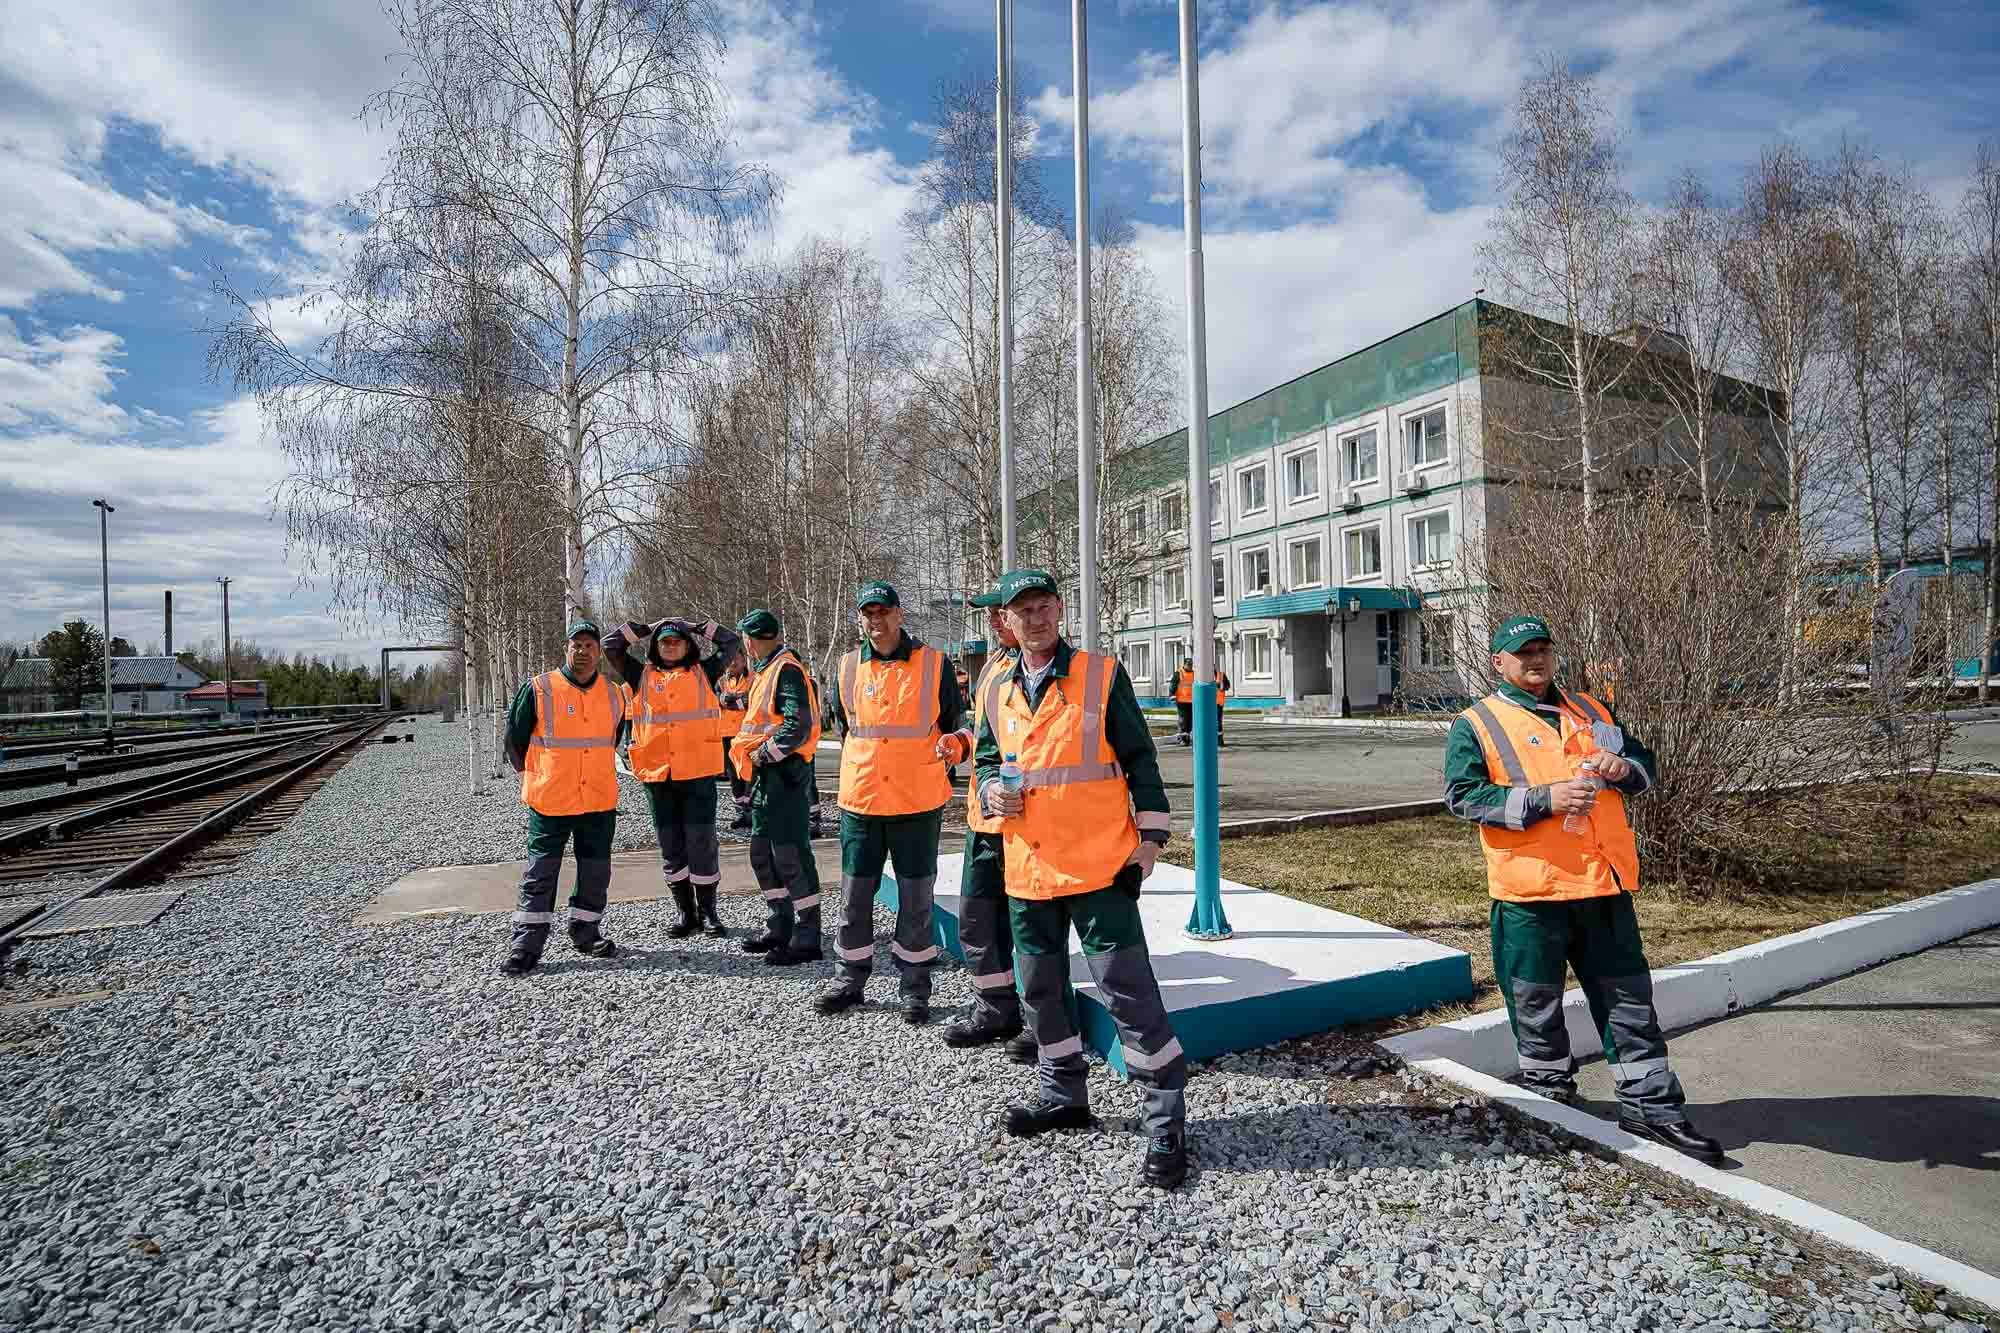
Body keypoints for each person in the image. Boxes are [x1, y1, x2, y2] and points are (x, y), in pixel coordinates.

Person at [1444, 614, 1723, 1165]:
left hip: (1604, 886)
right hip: (1532, 893)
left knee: (1628, 1001)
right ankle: (1549, 1101)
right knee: (1536, 1003)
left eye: (1543, 650)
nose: (1536, 661)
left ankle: (1651, 1106)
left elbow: (1644, 766)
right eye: (1522, 653)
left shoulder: (1593, 710)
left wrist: (1623, 767)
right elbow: (1463, 797)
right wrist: (1546, 800)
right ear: (1498, 662)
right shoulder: (1479, 722)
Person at [975, 569, 1188, 1190]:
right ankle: (1063, 1093)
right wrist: (991, 790)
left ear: (1060, 611)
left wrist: (1149, 844)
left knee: (1128, 993)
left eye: (1044, 607)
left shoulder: (1100, 675)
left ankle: (1165, 1120)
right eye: (1023, 611)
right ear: (1006, 622)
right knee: (1040, 988)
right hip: (1028, 869)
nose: (1035, 618)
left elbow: (1141, 760)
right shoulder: (998, 688)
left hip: (1099, 867)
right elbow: (990, 758)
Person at [815, 581, 968, 1025]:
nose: (876, 621)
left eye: (883, 612)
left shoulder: (934, 663)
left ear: (900, 615)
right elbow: (846, 728)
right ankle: (849, 978)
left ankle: (914, 986)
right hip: (861, 801)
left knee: (916, 900)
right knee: (853, 897)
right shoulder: (846, 667)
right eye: (868, 613)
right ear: (860, 619)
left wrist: (953, 747)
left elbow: (954, 723)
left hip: (917, 802)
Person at [500, 619, 631, 977]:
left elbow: (614, 738)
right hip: (551, 800)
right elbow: (515, 740)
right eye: (577, 644)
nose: (583, 651)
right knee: (540, 873)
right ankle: (526, 946)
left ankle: (586, 933)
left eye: (590, 645)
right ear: (566, 648)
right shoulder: (539, 688)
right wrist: (538, 776)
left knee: (595, 872)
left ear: (598, 652)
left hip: (598, 801)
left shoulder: (615, 694)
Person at [941, 587, 1037, 1062]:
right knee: (977, 919)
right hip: (986, 817)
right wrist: (959, 742)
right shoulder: (996, 666)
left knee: (1029, 928)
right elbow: (986, 730)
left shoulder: (1041, 670)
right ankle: (994, 1008)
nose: (995, 621)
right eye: (992, 614)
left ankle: (1043, 1021)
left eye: (1002, 613)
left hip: (1027, 824)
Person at [602, 616, 739, 939]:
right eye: (664, 641)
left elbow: (731, 642)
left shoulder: (704, 672)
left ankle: (708, 913)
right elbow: (611, 645)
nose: (671, 645)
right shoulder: (641, 675)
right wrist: (649, 626)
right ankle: (685, 913)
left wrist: (693, 625)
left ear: (687, 645)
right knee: (671, 847)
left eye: (677, 640)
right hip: (658, 775)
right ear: (656, 646)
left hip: (697, 774)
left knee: (701, 845)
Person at [732, 609, 825, 966]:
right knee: (763, 853)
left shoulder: (785, 669)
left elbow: (797, 726)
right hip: (768, 780)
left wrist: (762, 755)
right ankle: (781, 922)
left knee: (790, 855)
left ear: (751, 639)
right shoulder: (768, 669)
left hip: (783, 776)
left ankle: (807, 934)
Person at [718, 653, 753, 832]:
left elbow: (750, 702)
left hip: (746, 733)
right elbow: (719, 701)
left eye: (736, 659)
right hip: (726, 733)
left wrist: (731, 702)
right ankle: (740, 811)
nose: (732, 662)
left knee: (747, 773)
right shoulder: (721, 681)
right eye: (730, 660)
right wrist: (736, 702)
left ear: (743, 661)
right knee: (733, 776)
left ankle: (751, 810)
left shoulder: (753, 679)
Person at [1166, 657, 1230, 748]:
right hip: (1185, 701)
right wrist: (1172, 695)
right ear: (1184, 664)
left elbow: (1226, 686)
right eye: (1189, 665)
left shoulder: (1219, 675)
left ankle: (1218, 740)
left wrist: (1220, 686)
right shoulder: (1180, 673)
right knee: (1184, 720)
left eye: (1191, 665)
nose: (1190, 666)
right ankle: (1184, 739)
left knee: (1215, 721)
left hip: (1211, 702)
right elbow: (1173, 684)